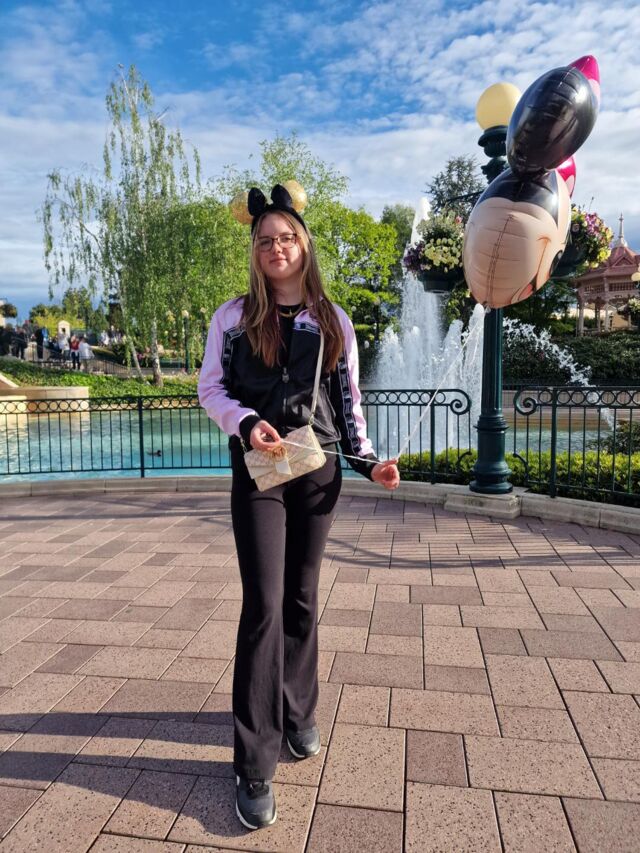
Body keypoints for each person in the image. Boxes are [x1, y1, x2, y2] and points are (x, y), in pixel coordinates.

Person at [198, 183, 400, 831]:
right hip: (259, 472)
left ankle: (296, 710)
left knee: (303, 599)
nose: (276, 248)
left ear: (304, 245)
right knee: (263, 605)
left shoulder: (332, 319)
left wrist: (370, 462)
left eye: (287, 237)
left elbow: (349, 403)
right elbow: (210, 389)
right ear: (255, 252)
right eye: (265, 240)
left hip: (317, 471)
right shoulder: (233, 318)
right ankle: (254, 762)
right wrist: (245, 421)